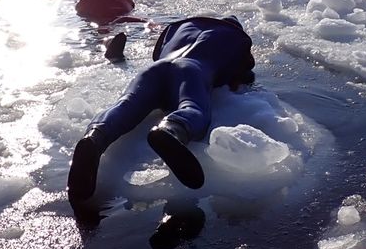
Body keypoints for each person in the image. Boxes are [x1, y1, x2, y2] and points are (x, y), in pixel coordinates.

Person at [67, 13, 255, 203]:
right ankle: (172, 130)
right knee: (193, 107)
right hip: (192, 70)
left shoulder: (182, 28)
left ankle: (95, 137)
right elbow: (245, 73)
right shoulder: (235, 39)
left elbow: (158, 53)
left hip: (154, 70)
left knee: (126, 104)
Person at [74, 0, 139, 61]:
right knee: (114, 23)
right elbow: (132, 6)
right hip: (120, 11)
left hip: (94, 14)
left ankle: (108, 42)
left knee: (101, 30)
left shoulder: (84, 0)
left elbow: (78, 10)